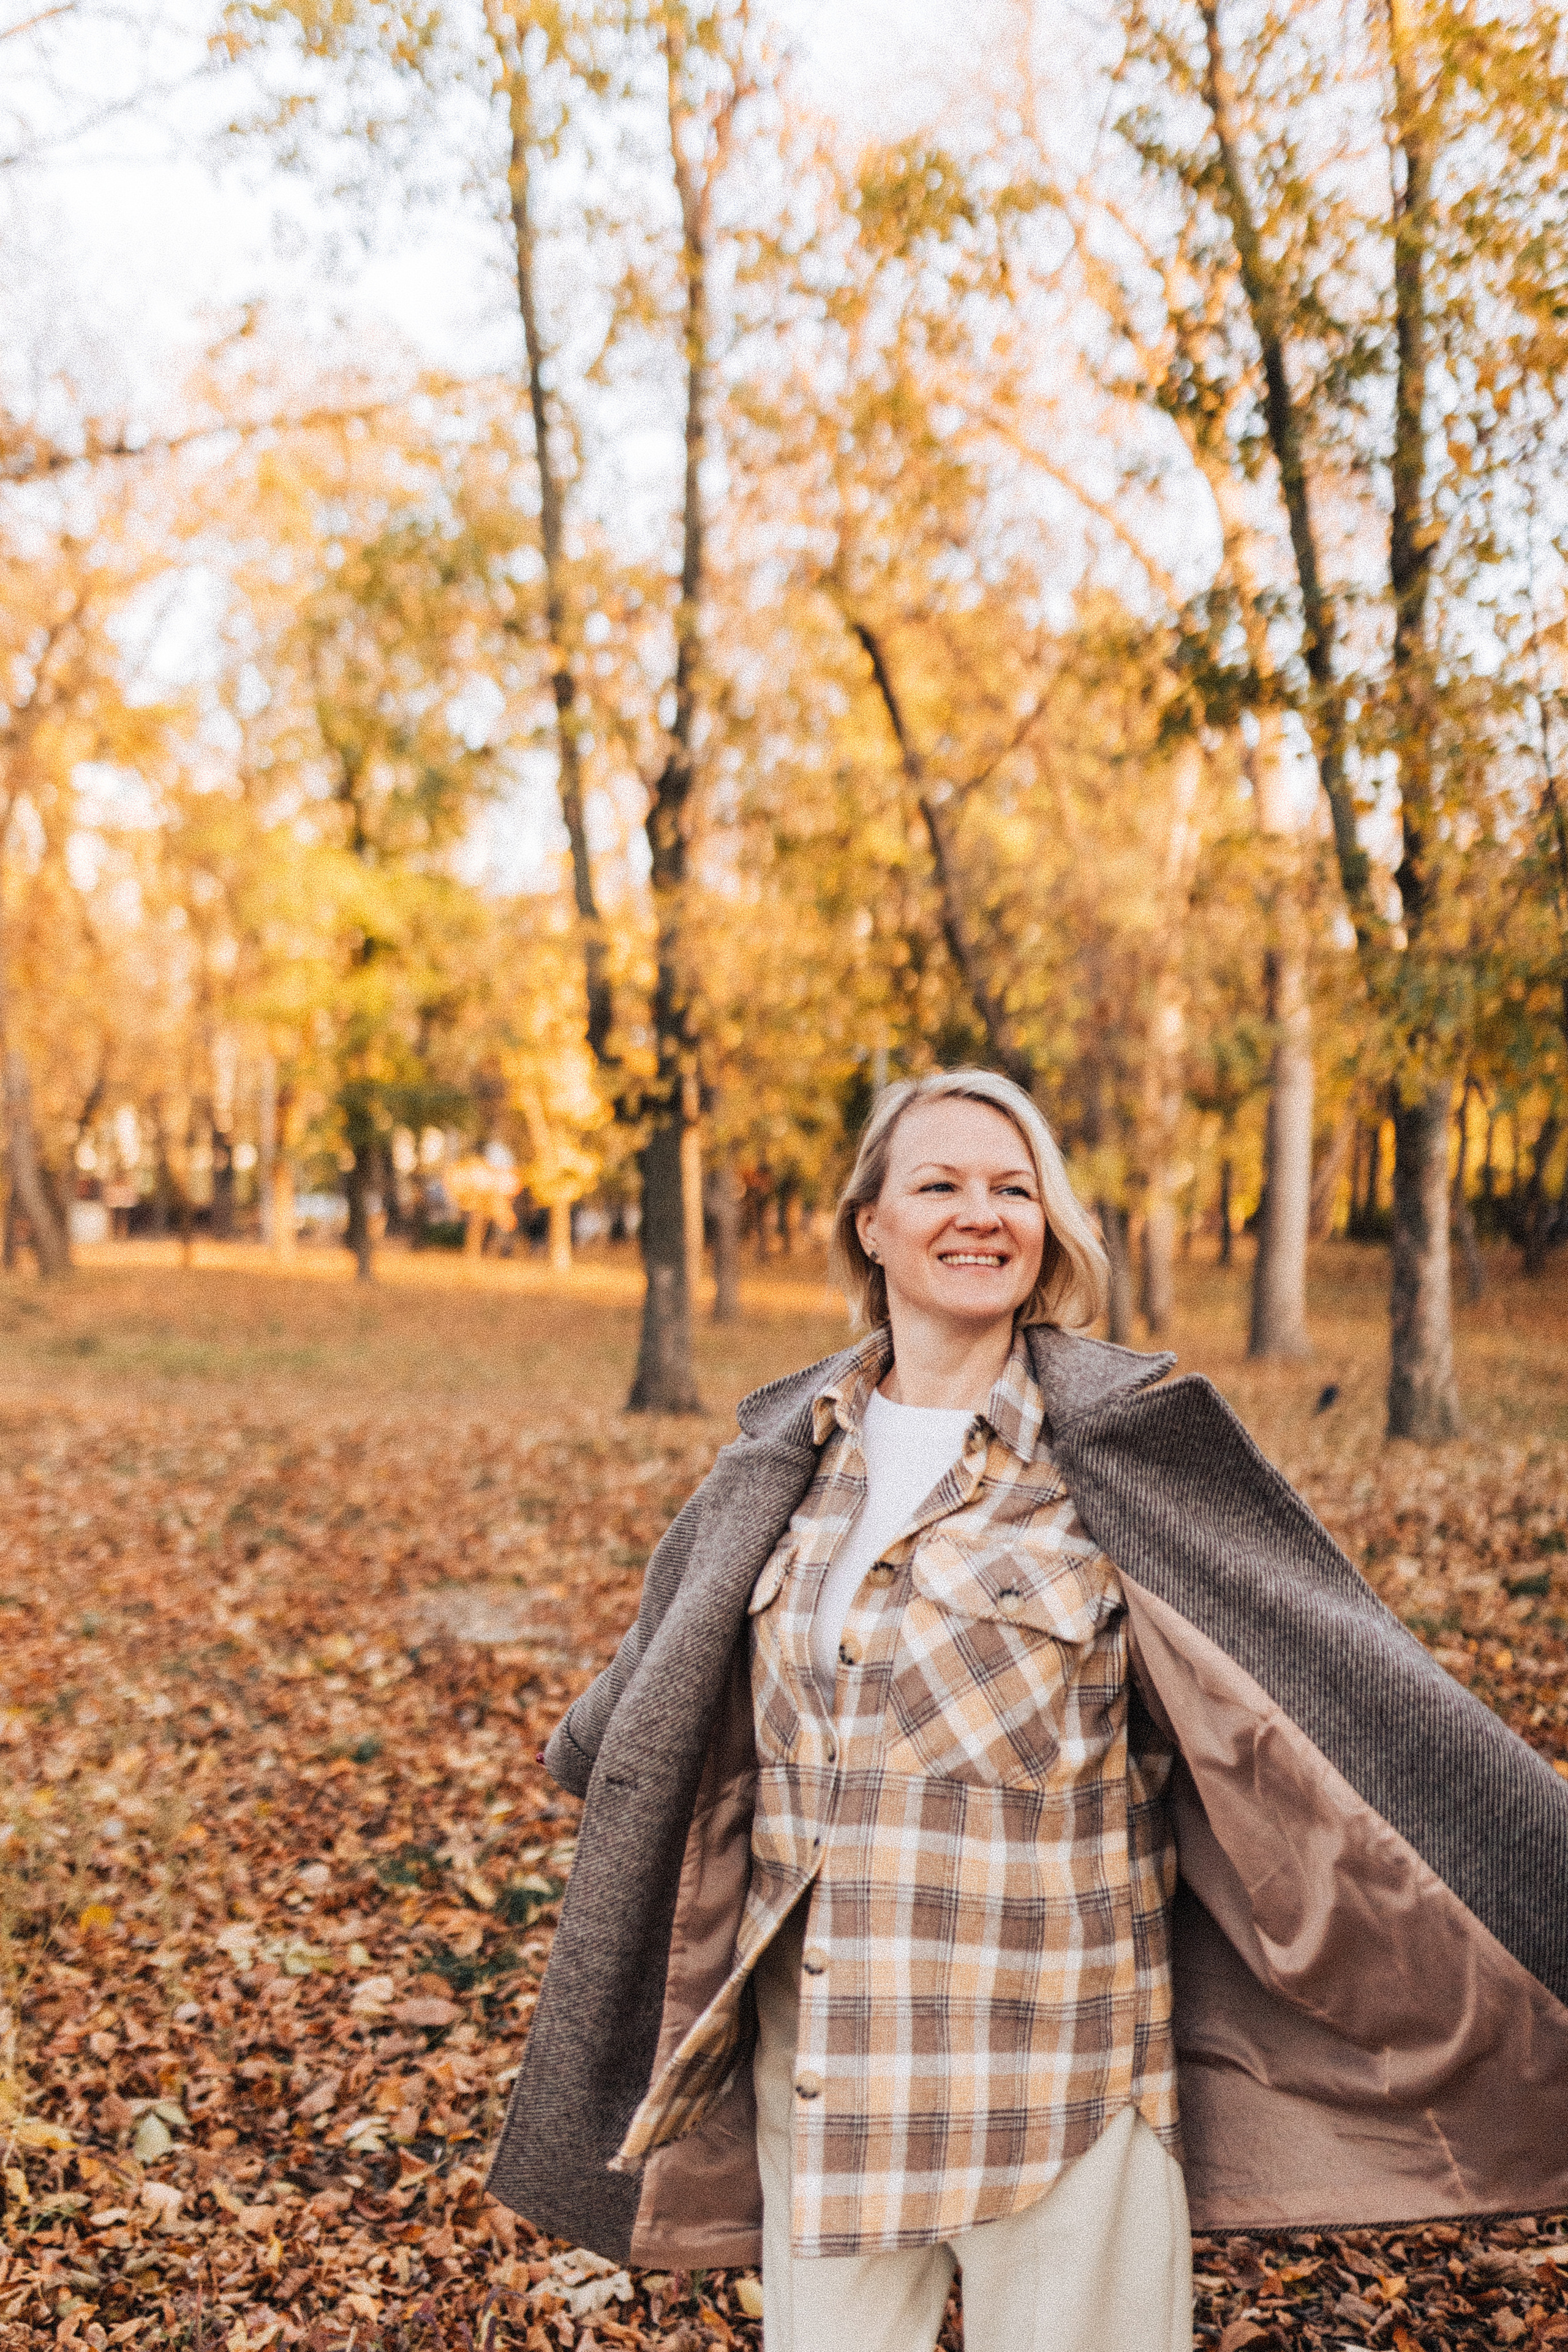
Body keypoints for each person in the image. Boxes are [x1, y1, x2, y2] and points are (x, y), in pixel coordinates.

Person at [489, 1069, 1568, 2350]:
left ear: (1048, 1226)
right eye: (937, 1184)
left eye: (1013, 1189)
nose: (979, 1214)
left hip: (1059, 2084)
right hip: (830, 2079)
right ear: (869, 1226)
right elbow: (656, 1708)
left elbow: (1328, 1699)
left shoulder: (1122, 1449)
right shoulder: (784, 1458)